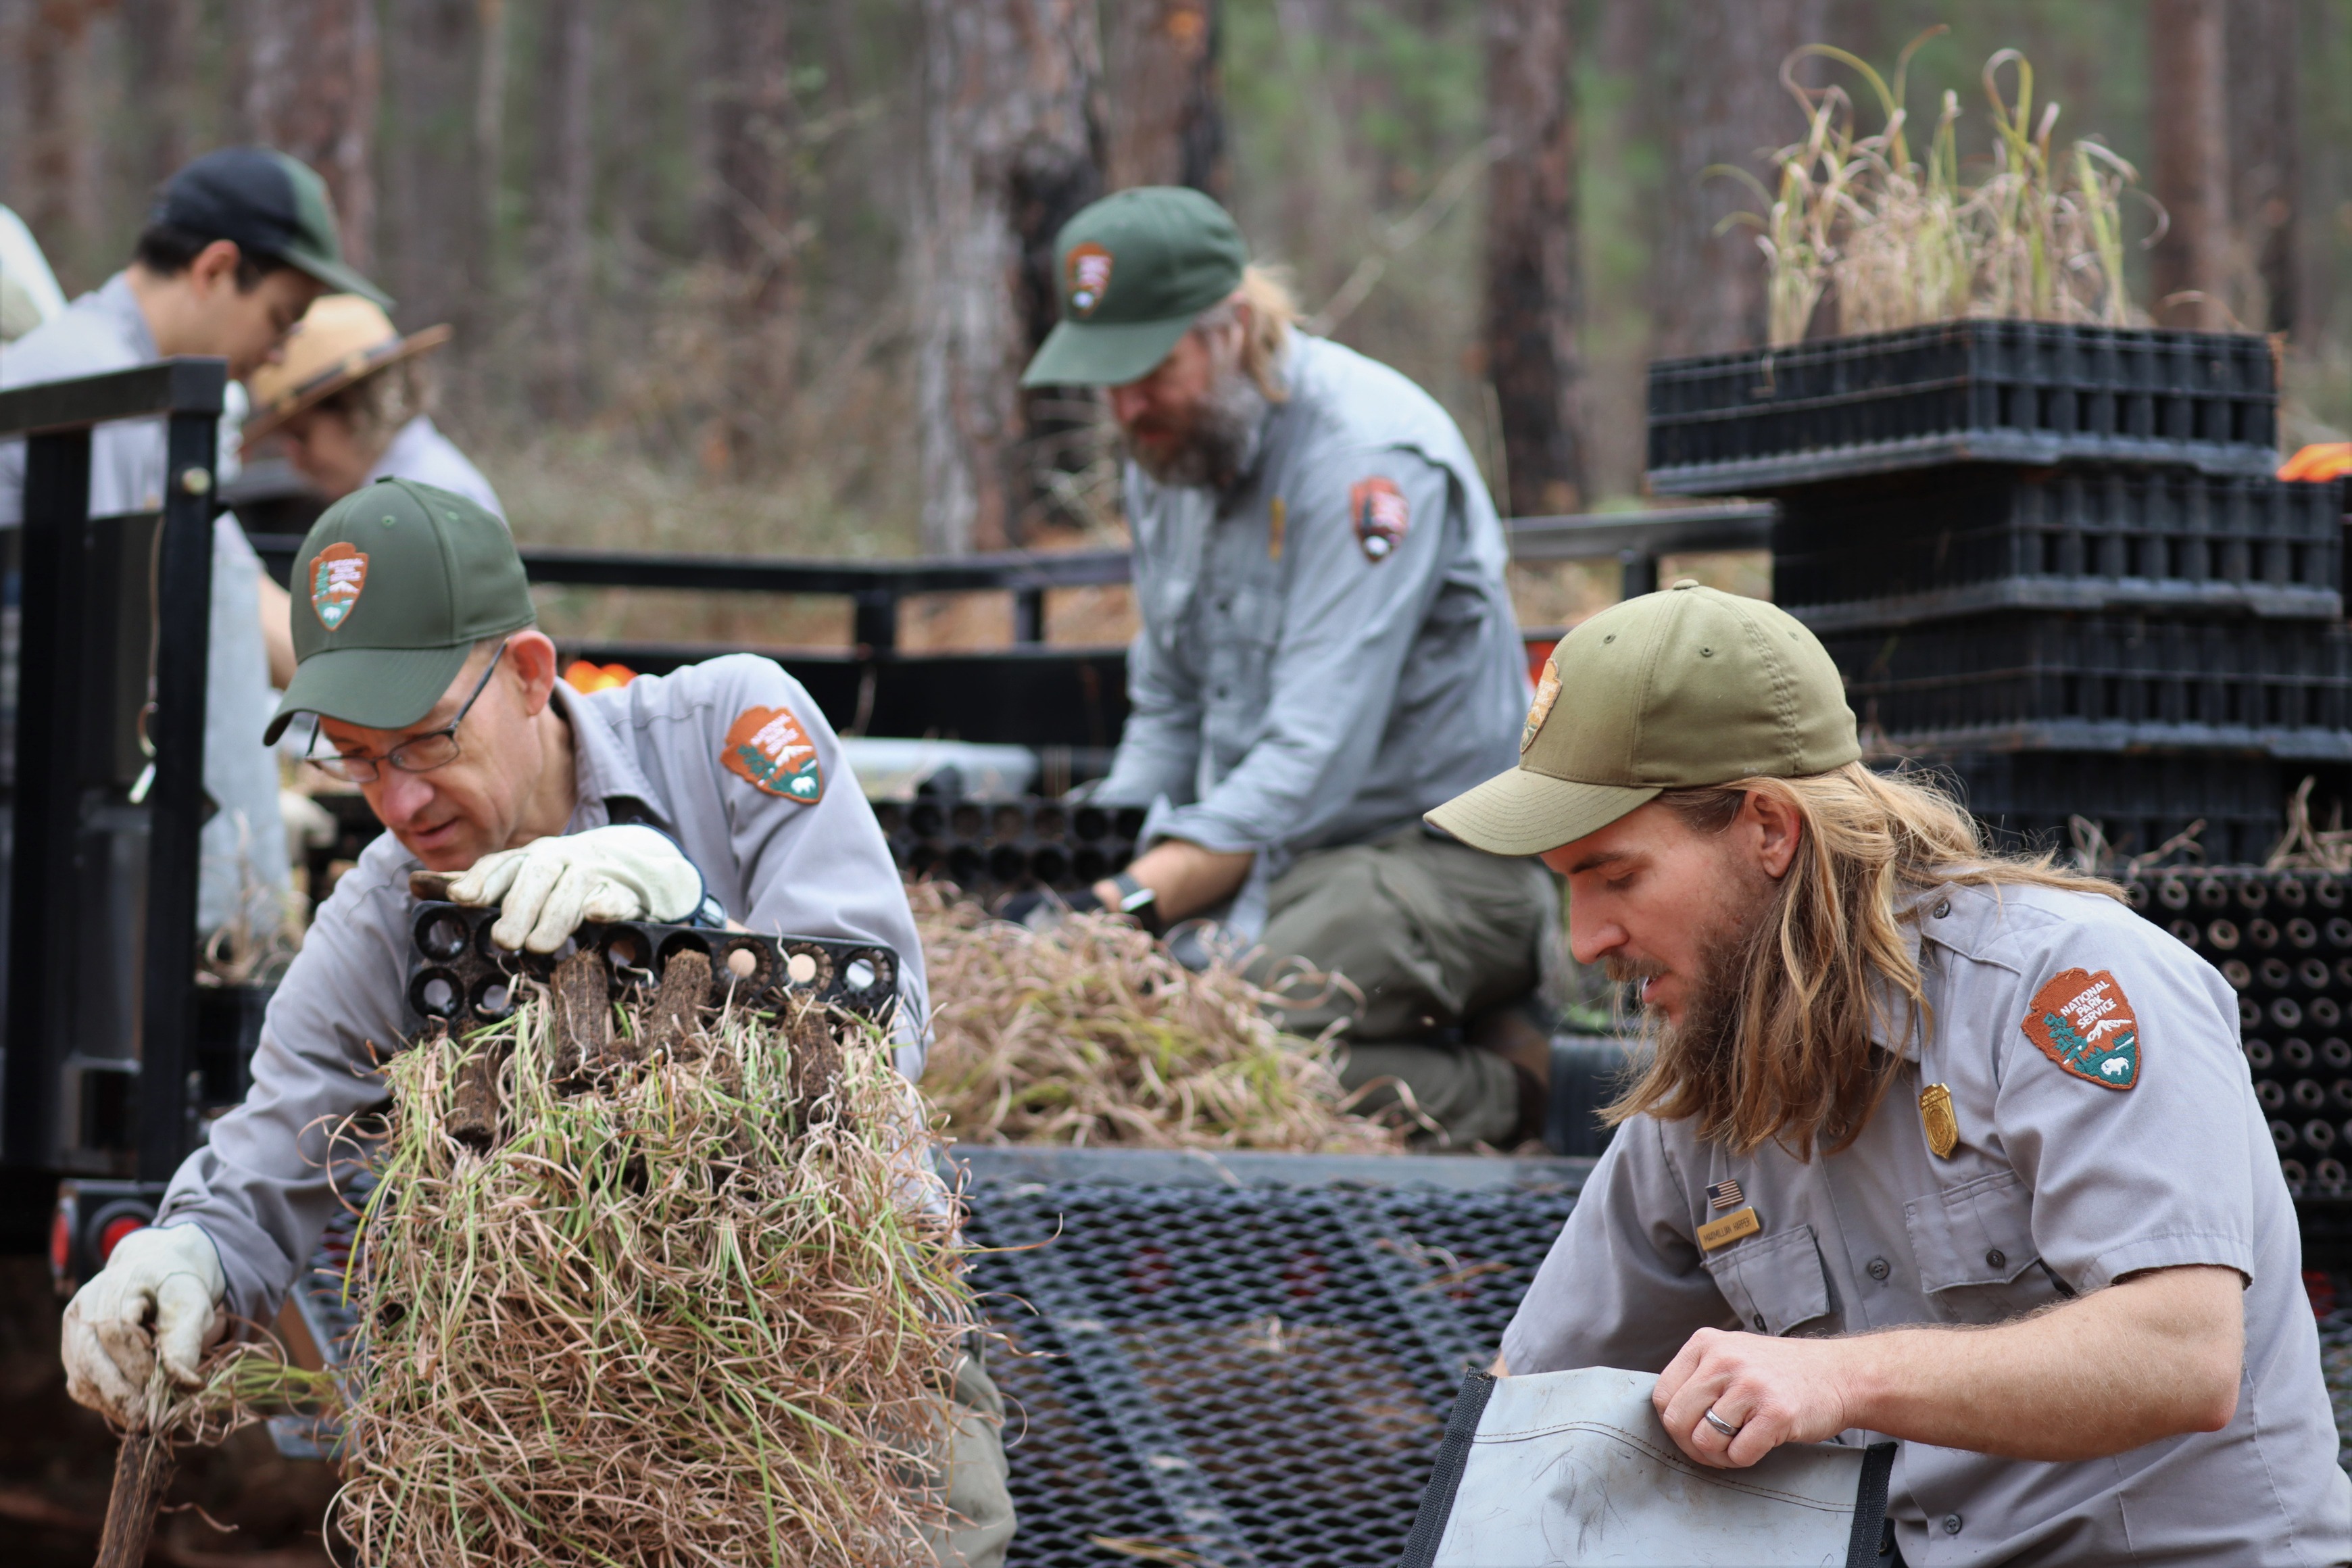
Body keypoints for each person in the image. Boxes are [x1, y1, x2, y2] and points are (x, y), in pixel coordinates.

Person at [55, 481, 1014, 1565]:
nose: (400, 803)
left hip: (841, 1367)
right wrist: (182, 1256)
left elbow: (878, 1042)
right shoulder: (383, 915)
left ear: (527, 672)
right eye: (357, 760)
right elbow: (264, 1167)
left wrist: (691, 933)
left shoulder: (731, 729)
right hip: (559, 1417)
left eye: (421, 743)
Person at [1425, 579, 2352, 1563]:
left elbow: (2182, 1355)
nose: (1587, 939)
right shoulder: (1705, 1080)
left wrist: (1836, 1381)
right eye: (1567, 888)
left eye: (1616, 876)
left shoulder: (2062, 987)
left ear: (1768, 829)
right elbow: (1530, 1415)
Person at [1010, 186, 1550, 1148]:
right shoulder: (1166, 450)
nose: (1127, 408)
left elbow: (1313, 756)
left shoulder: (1364, 463)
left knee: (1218, 1026)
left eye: (1149, 368)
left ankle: (1520, 1092)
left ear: (1235, 328)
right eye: (1106, 379)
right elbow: (1168, 707)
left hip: (1434, 861)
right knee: (1089, 1022)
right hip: (1263, 854)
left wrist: (1128, 905)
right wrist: (1091, 870)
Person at [0, 145, 386, 943]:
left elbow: (236, 593)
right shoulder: (97, 394)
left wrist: (389, 695)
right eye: (281, 318)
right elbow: (131, 635)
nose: (278, 355)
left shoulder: (135, 391)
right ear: (215, 269)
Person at [243, 293, 504, 686]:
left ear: (359, 408)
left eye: (301, 436)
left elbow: (405, 673)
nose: (295, 460)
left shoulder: (419, 503)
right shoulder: (398, 493)